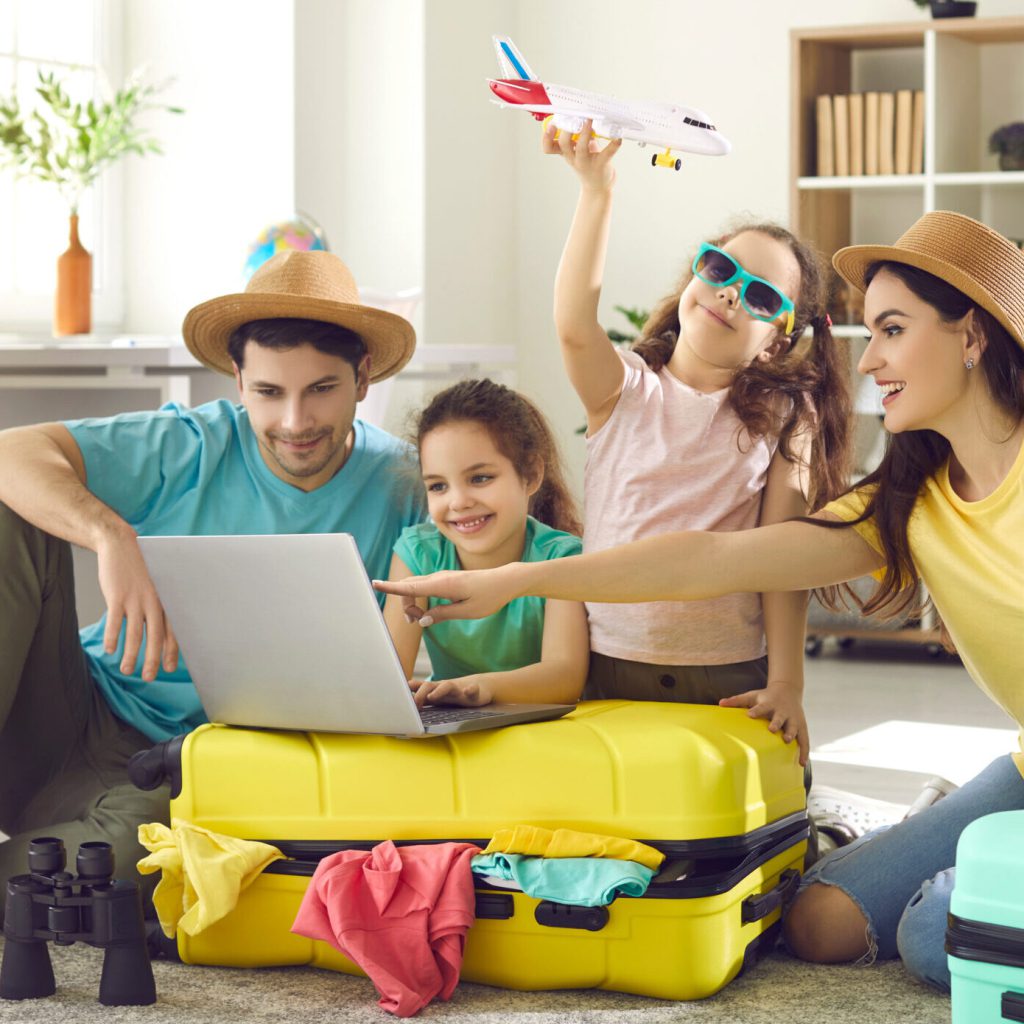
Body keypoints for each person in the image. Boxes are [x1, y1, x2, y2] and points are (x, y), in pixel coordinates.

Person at [374, 210, 1024, 992]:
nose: (869, 360)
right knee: (818, 923)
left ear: (972, 337)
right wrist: (509, 579)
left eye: (890, 330)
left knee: (936, 933)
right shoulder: (905, 505)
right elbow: (715, 558)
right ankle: (961, 839)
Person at [0, 250, 425, 910]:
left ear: (363, 377)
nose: (294, 422)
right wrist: (111, 536)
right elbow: (10, 452)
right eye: (269, 392)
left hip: (177, 772)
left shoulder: (407, 482)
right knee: (9, 510)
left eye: (321, 389)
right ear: (237, 380)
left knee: (136, 871)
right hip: (65, 707)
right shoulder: (189, 444)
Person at [541, 120, 852, 765]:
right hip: (608, 662)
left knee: (738, 828)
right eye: (720, 268)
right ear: (693, 275)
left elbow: (783, 558)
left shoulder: (783, 414)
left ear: (778, 338)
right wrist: (596, 192)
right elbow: (574, 323)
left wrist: (787, 684)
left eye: (761, 296)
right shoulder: (624, 389)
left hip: (729, 675)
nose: (731, 294)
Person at [383, 379, 589, 708]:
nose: (459, 501)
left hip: (543, 731)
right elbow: (388, 679)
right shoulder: (418, 553)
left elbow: (564, 677)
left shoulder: (561, 557)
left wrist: (479, 688)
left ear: (532, 474)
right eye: (438, 486)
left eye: (480, 478)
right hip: (452, 727)